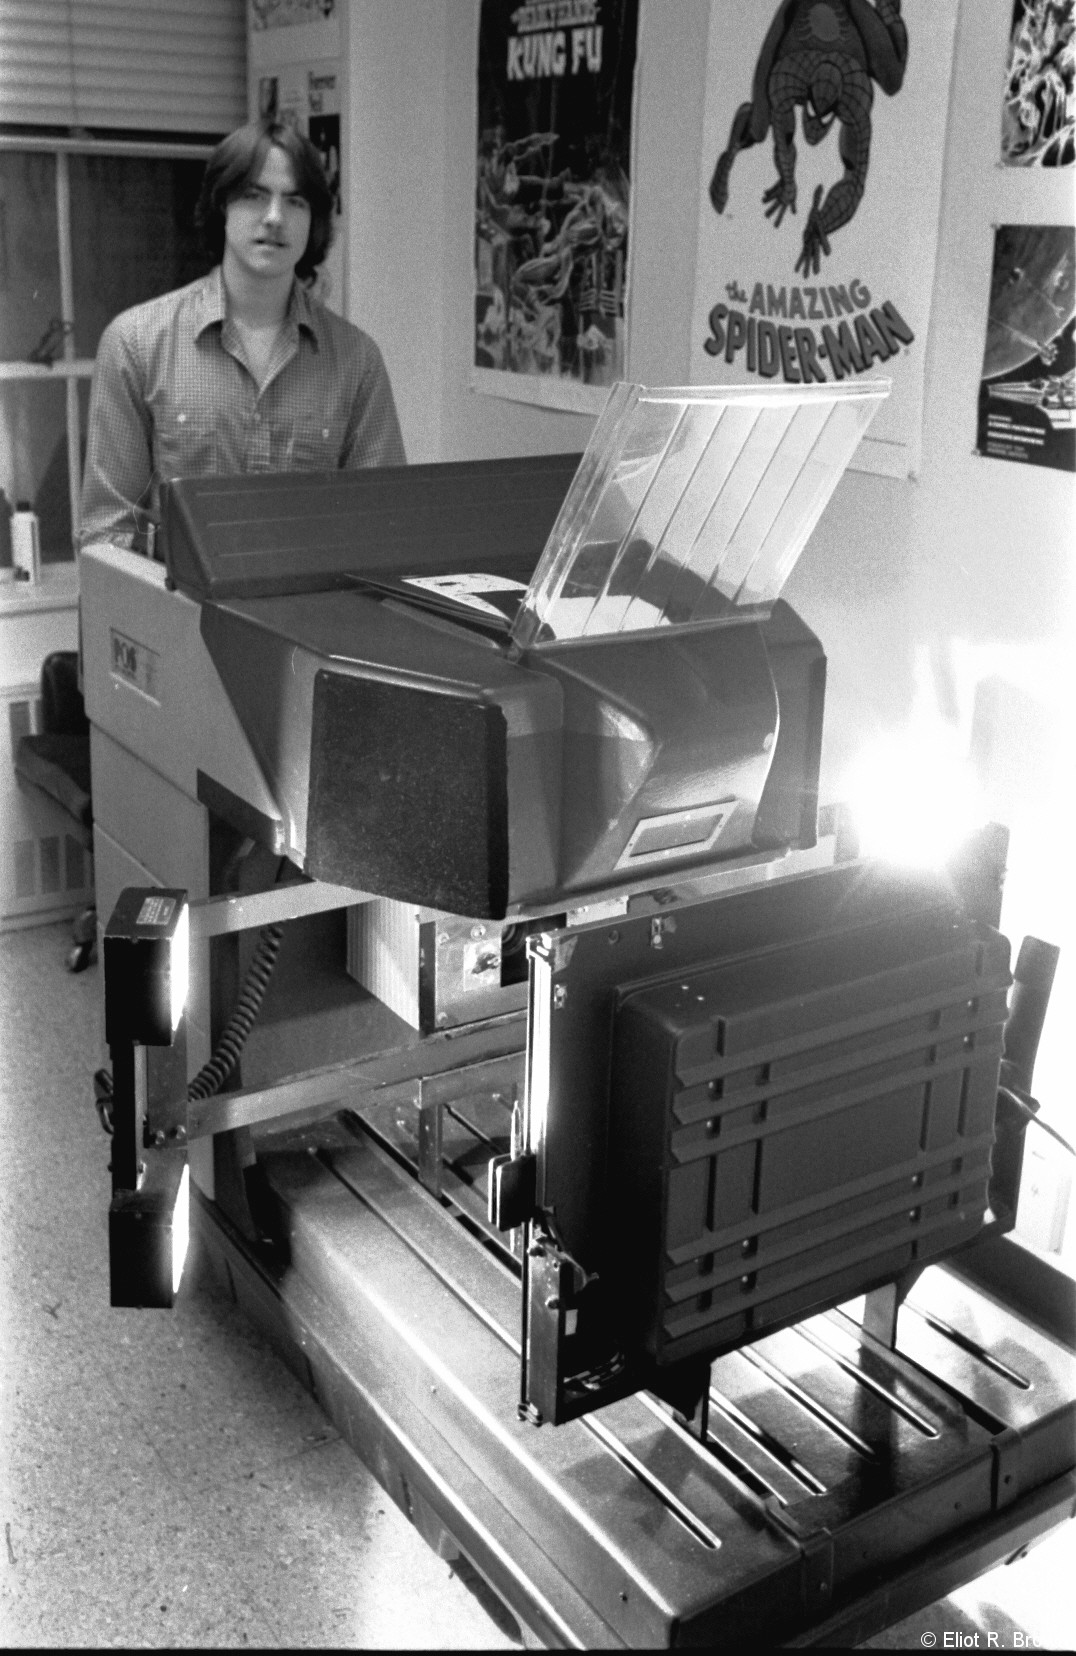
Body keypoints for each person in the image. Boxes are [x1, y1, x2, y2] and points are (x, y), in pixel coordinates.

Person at [79, 118, 405, 556]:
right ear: (222, 207)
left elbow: (384, 530)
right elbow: (104, 537)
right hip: (175, 617)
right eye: (254, 196)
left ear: (315, 221)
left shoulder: (355, 360)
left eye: (295, 201)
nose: (274, 218)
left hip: (305, 622)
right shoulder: (136, 344)